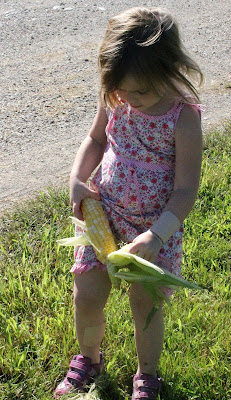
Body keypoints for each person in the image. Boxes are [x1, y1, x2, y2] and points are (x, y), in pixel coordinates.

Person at [54, 6, 204, 399]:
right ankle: (88, 357)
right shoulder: (116, 94)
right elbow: (96, 139)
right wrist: (75, 179)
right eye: (120, 89)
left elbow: (186, 189)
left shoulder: (183, 118)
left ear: (169, 70)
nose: (128, 99)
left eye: (140, 91)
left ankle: (147, 375)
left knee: (145, 305)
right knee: (85, 295)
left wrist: (157, 235)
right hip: (105, 213)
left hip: (154, 228)